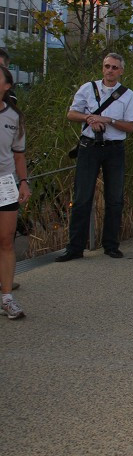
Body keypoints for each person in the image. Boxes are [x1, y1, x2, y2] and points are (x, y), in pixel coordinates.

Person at [56, 53, 133, 262]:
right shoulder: (87, 88)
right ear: (102, 68)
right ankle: (75, 248)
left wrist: (108, 120)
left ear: (121, 71)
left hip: (114, 149)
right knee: (82, 198)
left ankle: (111, 245)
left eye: (114, 67)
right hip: (89, 147)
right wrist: (89, 117)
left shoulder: (128, 95)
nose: (110, 70)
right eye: (107, 66)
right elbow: (71, 114)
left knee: (114, 199)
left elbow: (130, 126)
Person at [0, 65, 30, 318]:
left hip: (5, 183)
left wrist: (23, 182)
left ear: (7, 86)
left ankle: (7, 297)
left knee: (6, 239)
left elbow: (19, 154)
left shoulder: (14, 116)